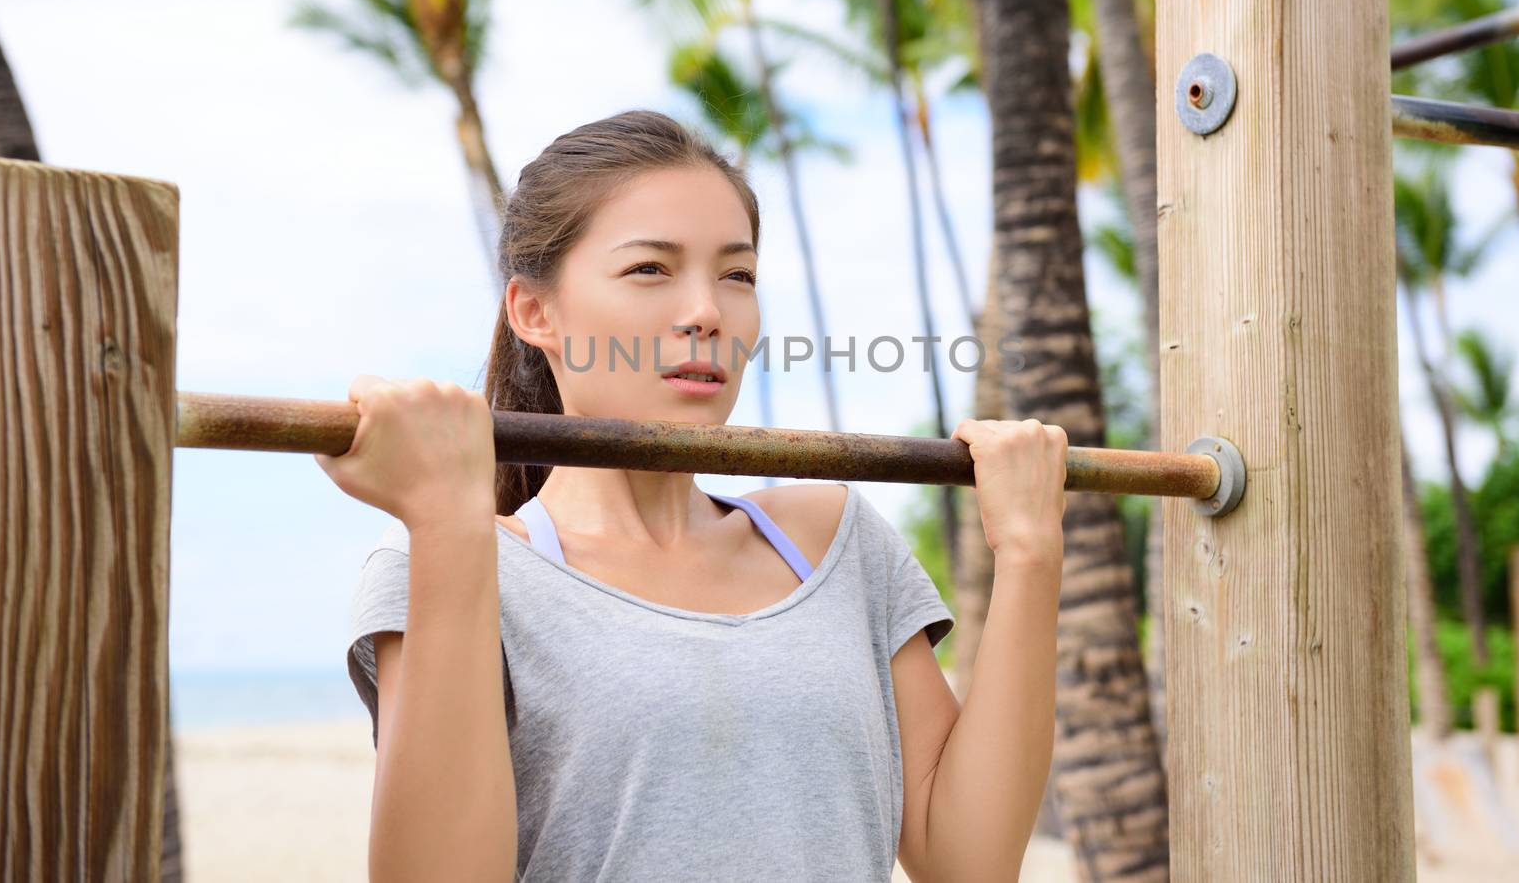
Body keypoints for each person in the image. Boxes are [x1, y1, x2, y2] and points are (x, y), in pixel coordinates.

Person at [318, 109, 1067, 883]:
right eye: (650, 269)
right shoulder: (456, 563)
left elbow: (968, 862)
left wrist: (1031, 552)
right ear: (534, 312)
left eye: (737, 275)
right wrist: (447, 519)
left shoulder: (834, 543)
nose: (707, 311)